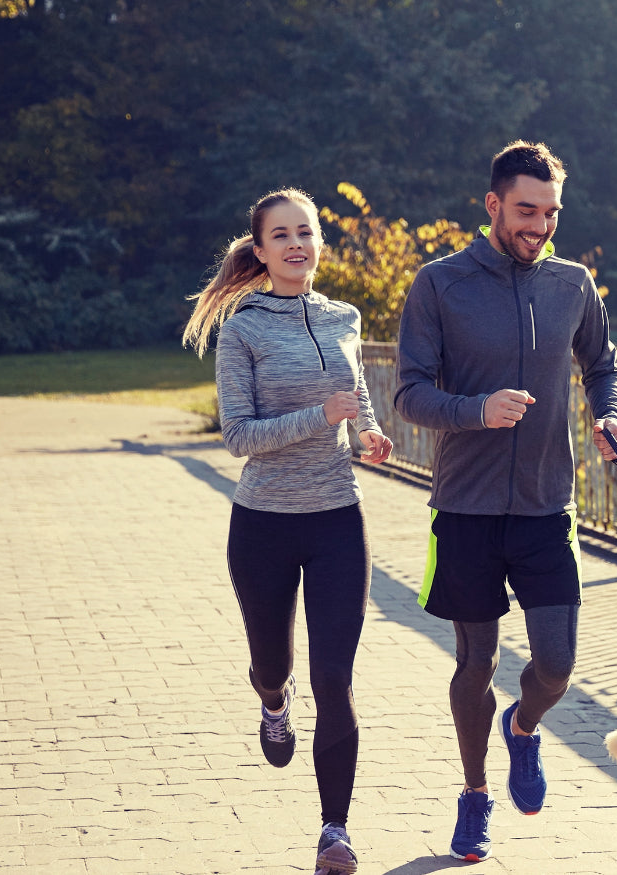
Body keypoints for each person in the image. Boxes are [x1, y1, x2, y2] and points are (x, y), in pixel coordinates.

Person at [393, 141, 617, 861]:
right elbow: (408, 395)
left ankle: (523, 727)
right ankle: (474, 795)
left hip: (546, 503)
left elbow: (604, 366)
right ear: (492, 204)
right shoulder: (439, 285)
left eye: (551, 213)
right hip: (464, 506)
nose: (539, 226)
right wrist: (476, 409)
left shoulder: (572, 284)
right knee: (475, 663)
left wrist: (610, 413)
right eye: (526, 210)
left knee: (556, 661)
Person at [182, 188, 393, 875]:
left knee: (336, 675)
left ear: (319, 243)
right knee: (276, 665)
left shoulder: (345, 316)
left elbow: (354, 390)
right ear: (261, 249)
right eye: (282, 235)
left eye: (306, 232)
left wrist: (368, 429)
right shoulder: (243, 328)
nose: (296, 243)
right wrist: (319, 416)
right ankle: (273, 699)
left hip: (338, 516)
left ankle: (335, 831)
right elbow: (238, 436)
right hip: (264, 525)